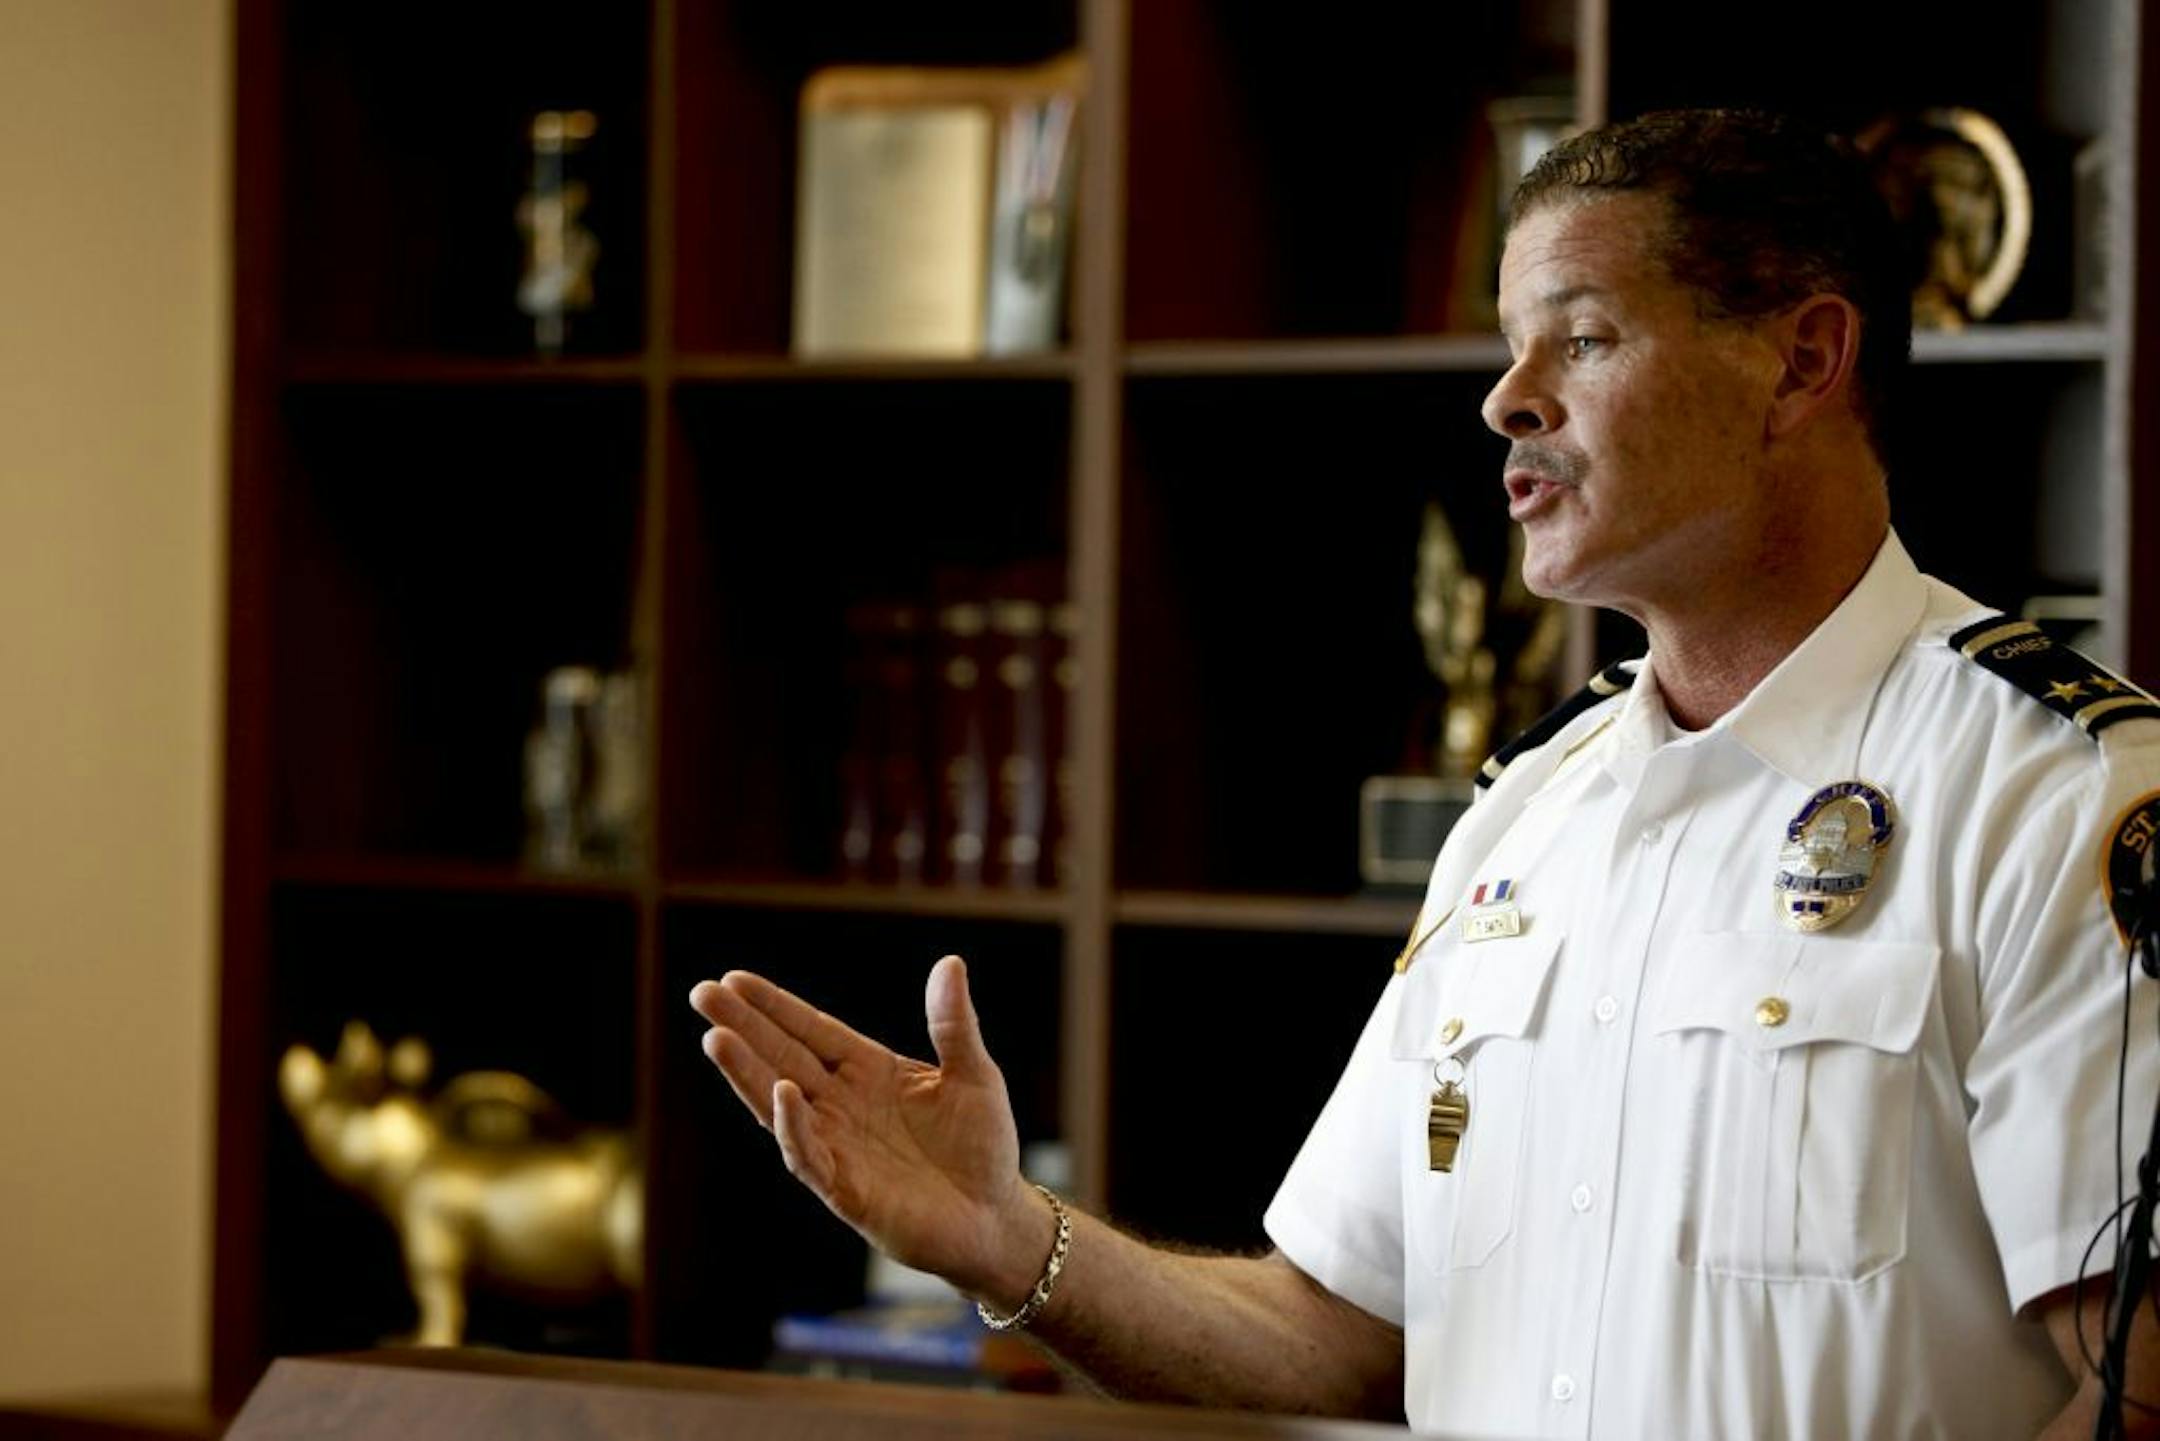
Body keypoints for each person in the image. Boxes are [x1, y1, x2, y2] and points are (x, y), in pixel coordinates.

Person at [690, 109, 2160, 1438]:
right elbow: (1335, 1334)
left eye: (1580, 340)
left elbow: (2136, 1393)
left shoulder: (2056, 792)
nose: (1506, 401)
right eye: (1511, 344)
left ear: (1801, 359)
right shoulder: (1525, 814)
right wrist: (1011, 1241)